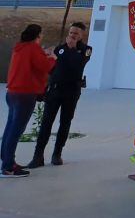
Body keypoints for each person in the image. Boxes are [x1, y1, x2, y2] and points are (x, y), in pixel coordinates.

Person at [28, 21, 92, 167]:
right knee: (46, 123)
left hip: (71, 92)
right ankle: (38, 156)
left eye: (76, 34)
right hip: (55, 90)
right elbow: (51, 68)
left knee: (65, 122)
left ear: (82, 35)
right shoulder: (59, 49)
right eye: (71, 33)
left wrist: (72, 48)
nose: (72, 36)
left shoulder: (86, 50)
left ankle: (57, 154)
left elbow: (78, 65)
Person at [2, 24, 56, 178]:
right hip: (25, 94)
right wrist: (52, 58)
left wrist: (43, 54)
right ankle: (8, 167)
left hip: (13, 92)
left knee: (10, 129)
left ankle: (6, 160)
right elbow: (44, 66)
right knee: (16, 131)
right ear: (38, 35)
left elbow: (31, 63)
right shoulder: (33, 48)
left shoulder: (20, 47)